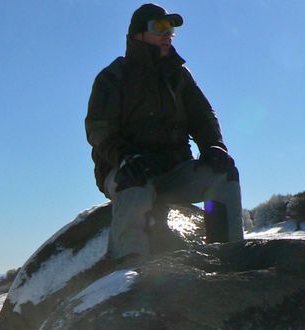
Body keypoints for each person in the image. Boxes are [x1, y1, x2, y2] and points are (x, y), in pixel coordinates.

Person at [85, 3, 244, 259]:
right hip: (128, 171)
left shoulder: (179, 75)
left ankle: (227, 256)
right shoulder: (112, 78)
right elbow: (98, 129)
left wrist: (214, 145)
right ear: (138, 34)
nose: (167, 33)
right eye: (159, 27)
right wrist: (125, 158)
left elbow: (202, 115)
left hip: (174, 170)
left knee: (222, 173)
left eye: (170, 29)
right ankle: (130, 272)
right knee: (134, 184)